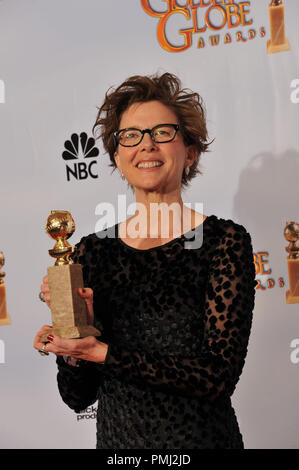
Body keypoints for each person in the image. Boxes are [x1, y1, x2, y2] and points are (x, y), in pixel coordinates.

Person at [34, 72, 257, 449]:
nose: (147, 145)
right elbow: (77, 396)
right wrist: (72, 346)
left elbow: (217, 378)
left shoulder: (224, 242)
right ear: (118, 158)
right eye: (131, 136)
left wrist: (104, 353)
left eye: (163, 132)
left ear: (191, 152)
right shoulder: (91, 252)